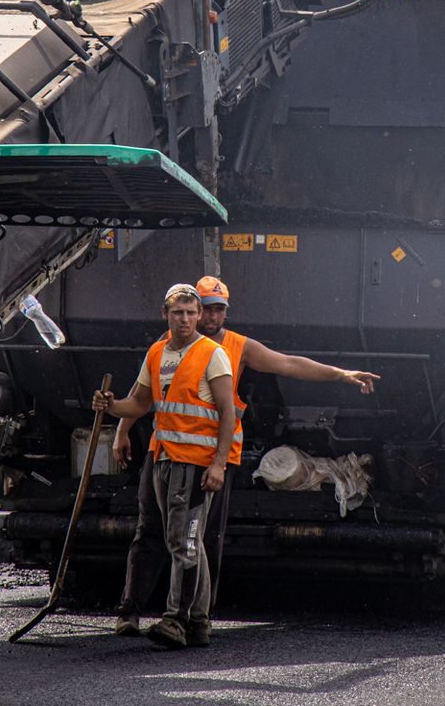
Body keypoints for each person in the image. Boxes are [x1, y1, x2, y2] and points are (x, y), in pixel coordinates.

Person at [112, 276, 380, 635]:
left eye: (217, 309)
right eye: (204, 309)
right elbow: (143, 394)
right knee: (150, 531)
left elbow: (288, 364)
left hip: (211, 459)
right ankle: (131, 610)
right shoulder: (167, 347)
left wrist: (341, 374)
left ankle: (194, 620)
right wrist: (122, 430)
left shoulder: (235, 348)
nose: (209, 316)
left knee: (203, 538)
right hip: (165, 453)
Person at [92, 284, 238, 651]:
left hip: (193, 466)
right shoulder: (157, 353)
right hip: (162, 460)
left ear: (200, 315)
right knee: (178, 541)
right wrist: (111, 407)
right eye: (179, 312)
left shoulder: (212, 354)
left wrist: (219, 463)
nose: (186, 319)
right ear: (165, 314)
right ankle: (199, 624)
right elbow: (139, 404)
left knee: (184, 541)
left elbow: (228, 413)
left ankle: (177, 619)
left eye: (192, 313)